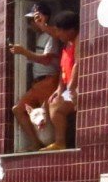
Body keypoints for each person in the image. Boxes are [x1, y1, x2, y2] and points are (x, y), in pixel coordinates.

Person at [9, 2, 61, 151]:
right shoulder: (40, 37)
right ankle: (36, 142)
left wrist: (23, 52)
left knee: (50, 115)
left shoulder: (51, 36)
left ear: (44, 18)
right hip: (37, 83)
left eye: (34, 19)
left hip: (48, 79)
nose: (31, 23)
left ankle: (57, 143)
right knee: (18, 109)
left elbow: (46, 59)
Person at [34, 9, 80, 151]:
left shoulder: (78, 40)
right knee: (54, 103)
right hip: (68, 87)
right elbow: (63, 68)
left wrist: (72, 87)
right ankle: (60, 142)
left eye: (61, 31)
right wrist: (60, 89)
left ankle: (64, 142)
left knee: (57, 107)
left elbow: (79, 63)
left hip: (80, 86)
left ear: (71, 30)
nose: (58, 35)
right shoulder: (68, 42)